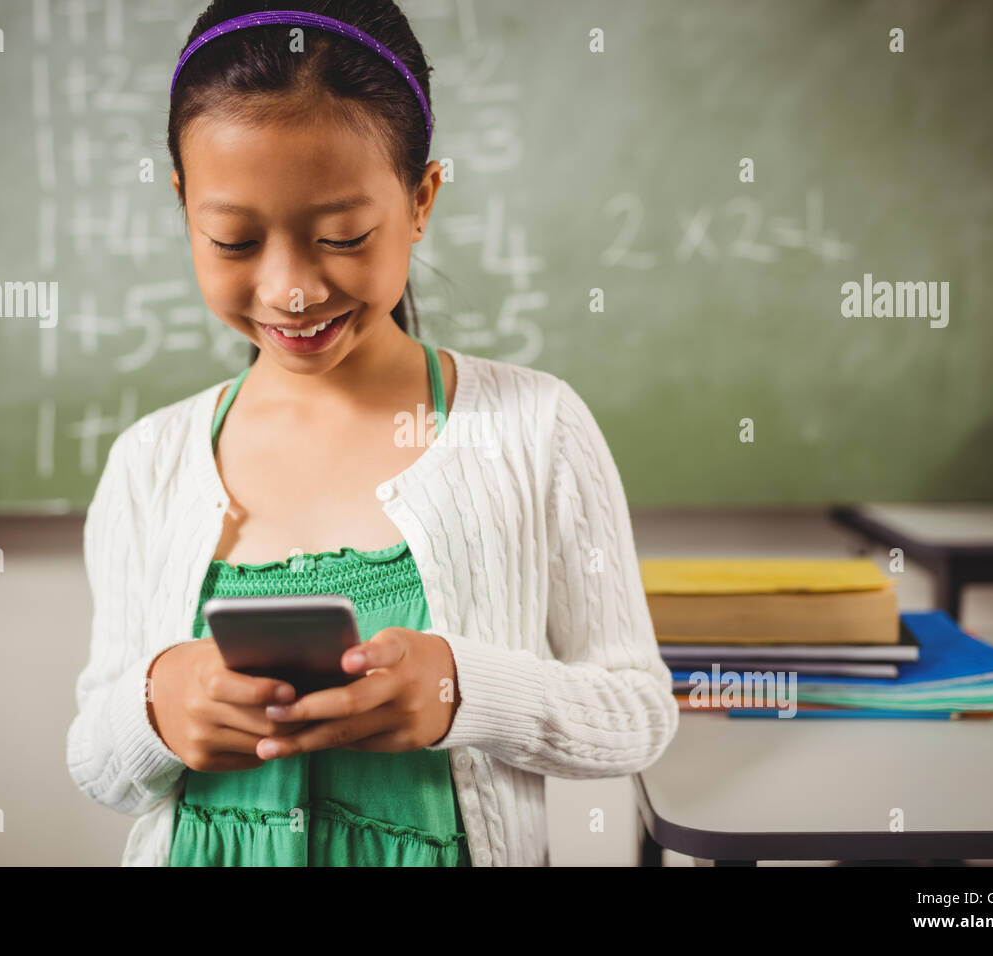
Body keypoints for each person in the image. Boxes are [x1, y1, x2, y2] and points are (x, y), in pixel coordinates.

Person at [67, 0, 679, 867]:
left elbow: (638, 714)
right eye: (234, 240)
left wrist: (463, 690)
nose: (290, 289)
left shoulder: (536, 430)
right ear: (184, 208)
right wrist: (156, 706)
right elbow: (96, 762)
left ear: (421, 198)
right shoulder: (149, 463)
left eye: (343, 236)